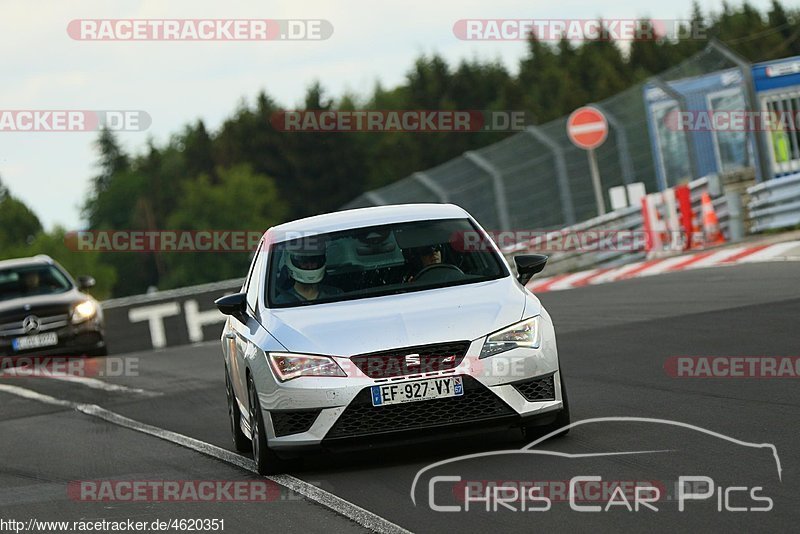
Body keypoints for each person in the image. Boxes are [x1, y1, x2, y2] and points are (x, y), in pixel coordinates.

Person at [274, 249, 343, 304]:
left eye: (313, 261)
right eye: (304, 261)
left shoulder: (336, 294)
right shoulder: (281, 302)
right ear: (294, 262)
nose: (309, 266)